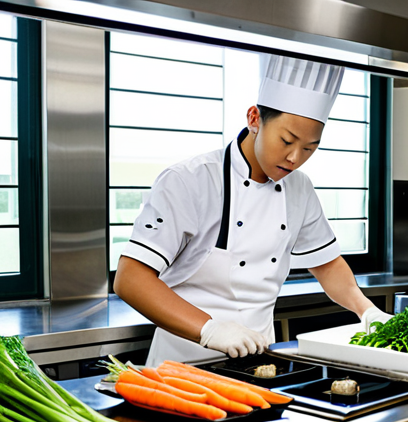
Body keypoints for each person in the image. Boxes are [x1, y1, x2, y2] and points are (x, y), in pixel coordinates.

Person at [113, 55, 393, 367]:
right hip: (184, 365)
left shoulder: (300, 189)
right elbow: (130, 279)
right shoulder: (190, 180)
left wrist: (366, 310)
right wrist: (210, 329)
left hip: (261, 363)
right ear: (254, 118)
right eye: (287, 140)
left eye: (309, 149)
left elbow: (326, 265)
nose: (294, 158)